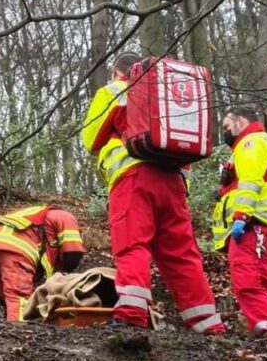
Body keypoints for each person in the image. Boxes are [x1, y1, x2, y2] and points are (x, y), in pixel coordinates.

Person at [81, 52, 224, 333]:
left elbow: (90, 138)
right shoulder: (169, 95)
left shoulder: (115, 90)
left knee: (132, 244)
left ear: (115, 71)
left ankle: (132, 313)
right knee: (182, 255)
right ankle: (207, 324)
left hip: (134, 179)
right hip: (174, 184)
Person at [212, 107, 267, 340]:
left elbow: (250, 182)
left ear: (241, 122)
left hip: (253, 225)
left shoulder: (251, 142)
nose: (225, 132)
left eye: (227, 127)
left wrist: (241, 217)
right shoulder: (264, 143)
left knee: (246, 279)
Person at [0, 205, 85, 321]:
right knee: (19, 295)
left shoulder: (37, 216)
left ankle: (8, 324)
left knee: (7, 294)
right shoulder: (66, 216)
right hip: (14, 242)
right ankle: (18, 330)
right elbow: (73, 254)